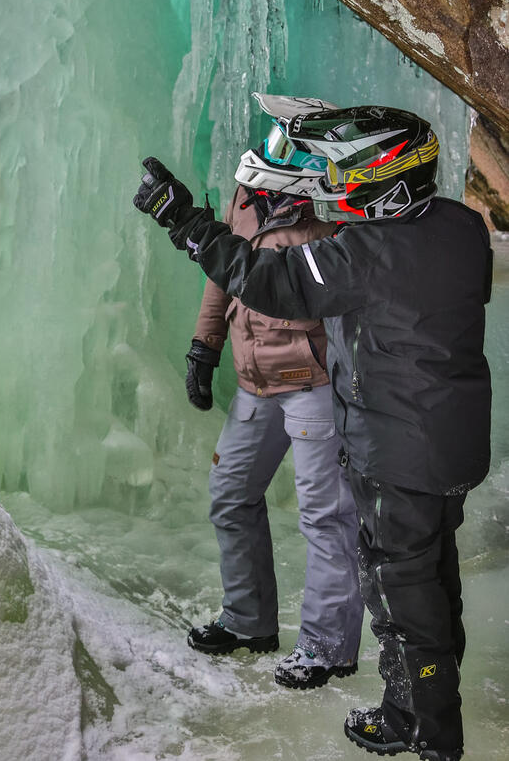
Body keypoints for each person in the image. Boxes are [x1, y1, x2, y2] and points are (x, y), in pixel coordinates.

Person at [133, 100, 492, 761]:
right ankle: (406, 706)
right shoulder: (462, 229)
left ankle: (433, 737)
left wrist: (183, 221)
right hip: (449, 445)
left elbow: (263, 280)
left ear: (382, 179)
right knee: (431, 581)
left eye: (350, 173)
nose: (338, 184)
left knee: (403, 597)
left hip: (398, 453)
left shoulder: (365, 253)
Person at [184, 95, 363, 690]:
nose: (272, 152)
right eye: (274, 141)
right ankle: (248, 621)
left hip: (313, 381)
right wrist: (205, 346)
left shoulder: (336, 210)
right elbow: (225, 272)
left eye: (287, 144)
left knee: (326, 517)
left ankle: (327, 646)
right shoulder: (247, 197)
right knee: (231, 494)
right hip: (255, 381)